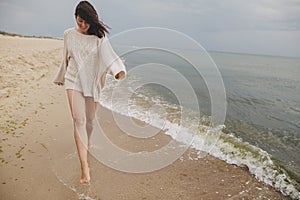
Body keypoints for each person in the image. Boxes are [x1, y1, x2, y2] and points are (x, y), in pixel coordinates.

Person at [52, 1, 126, 185]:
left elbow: (109, 56)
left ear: (92, 21)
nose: (83, 25)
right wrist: (61, 75)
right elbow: (65, 57)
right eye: (80, 21)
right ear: (75, 18)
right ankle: (85, 168)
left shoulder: (99, 38)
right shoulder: (68, 34)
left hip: (92, 83)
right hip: (73, 80)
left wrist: (117, 71)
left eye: (86, 22)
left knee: (90, 120)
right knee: (79, 120)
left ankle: (89, 140)